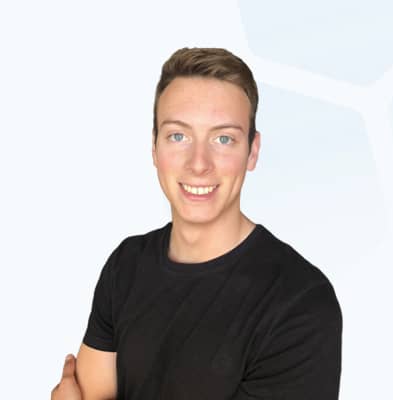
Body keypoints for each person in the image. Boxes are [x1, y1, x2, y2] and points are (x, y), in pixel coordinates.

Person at [51, 47, 342, 400]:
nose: (199, 163)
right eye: (178, 136)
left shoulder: (299, 301)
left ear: (252, 151)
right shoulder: (125, 266)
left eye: (223, 139)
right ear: (154, 147)